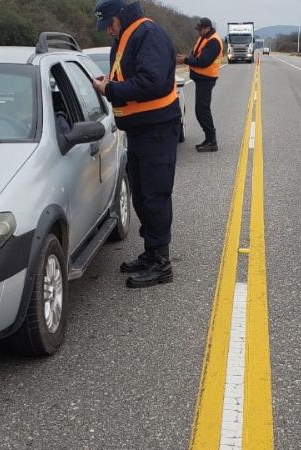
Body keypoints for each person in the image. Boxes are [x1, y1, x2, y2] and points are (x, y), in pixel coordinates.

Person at [92, 0, 182, 289]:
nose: (108, 31)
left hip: (157, 130)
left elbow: (152, 82)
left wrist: (110, 89)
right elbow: (131, 76)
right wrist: (112, 84)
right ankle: (151, 253)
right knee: (142, 195)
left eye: (110, 23)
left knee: (155, 195)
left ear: (121, 14)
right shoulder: (126, 36)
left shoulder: (147, 34)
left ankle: (161, 264)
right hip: (141, 131)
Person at [177, 17, 223, 152]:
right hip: (201, 78)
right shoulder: (204, 38)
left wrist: (186, 60)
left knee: (202, 110)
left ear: (207, 28)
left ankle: (212, 141)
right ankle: (209, 139)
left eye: (200, 29)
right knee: (201, 110)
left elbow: (204, 61)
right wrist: (186, 58)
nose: (199, 32)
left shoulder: (213, 41)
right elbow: (196, 55)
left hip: (207, 79)